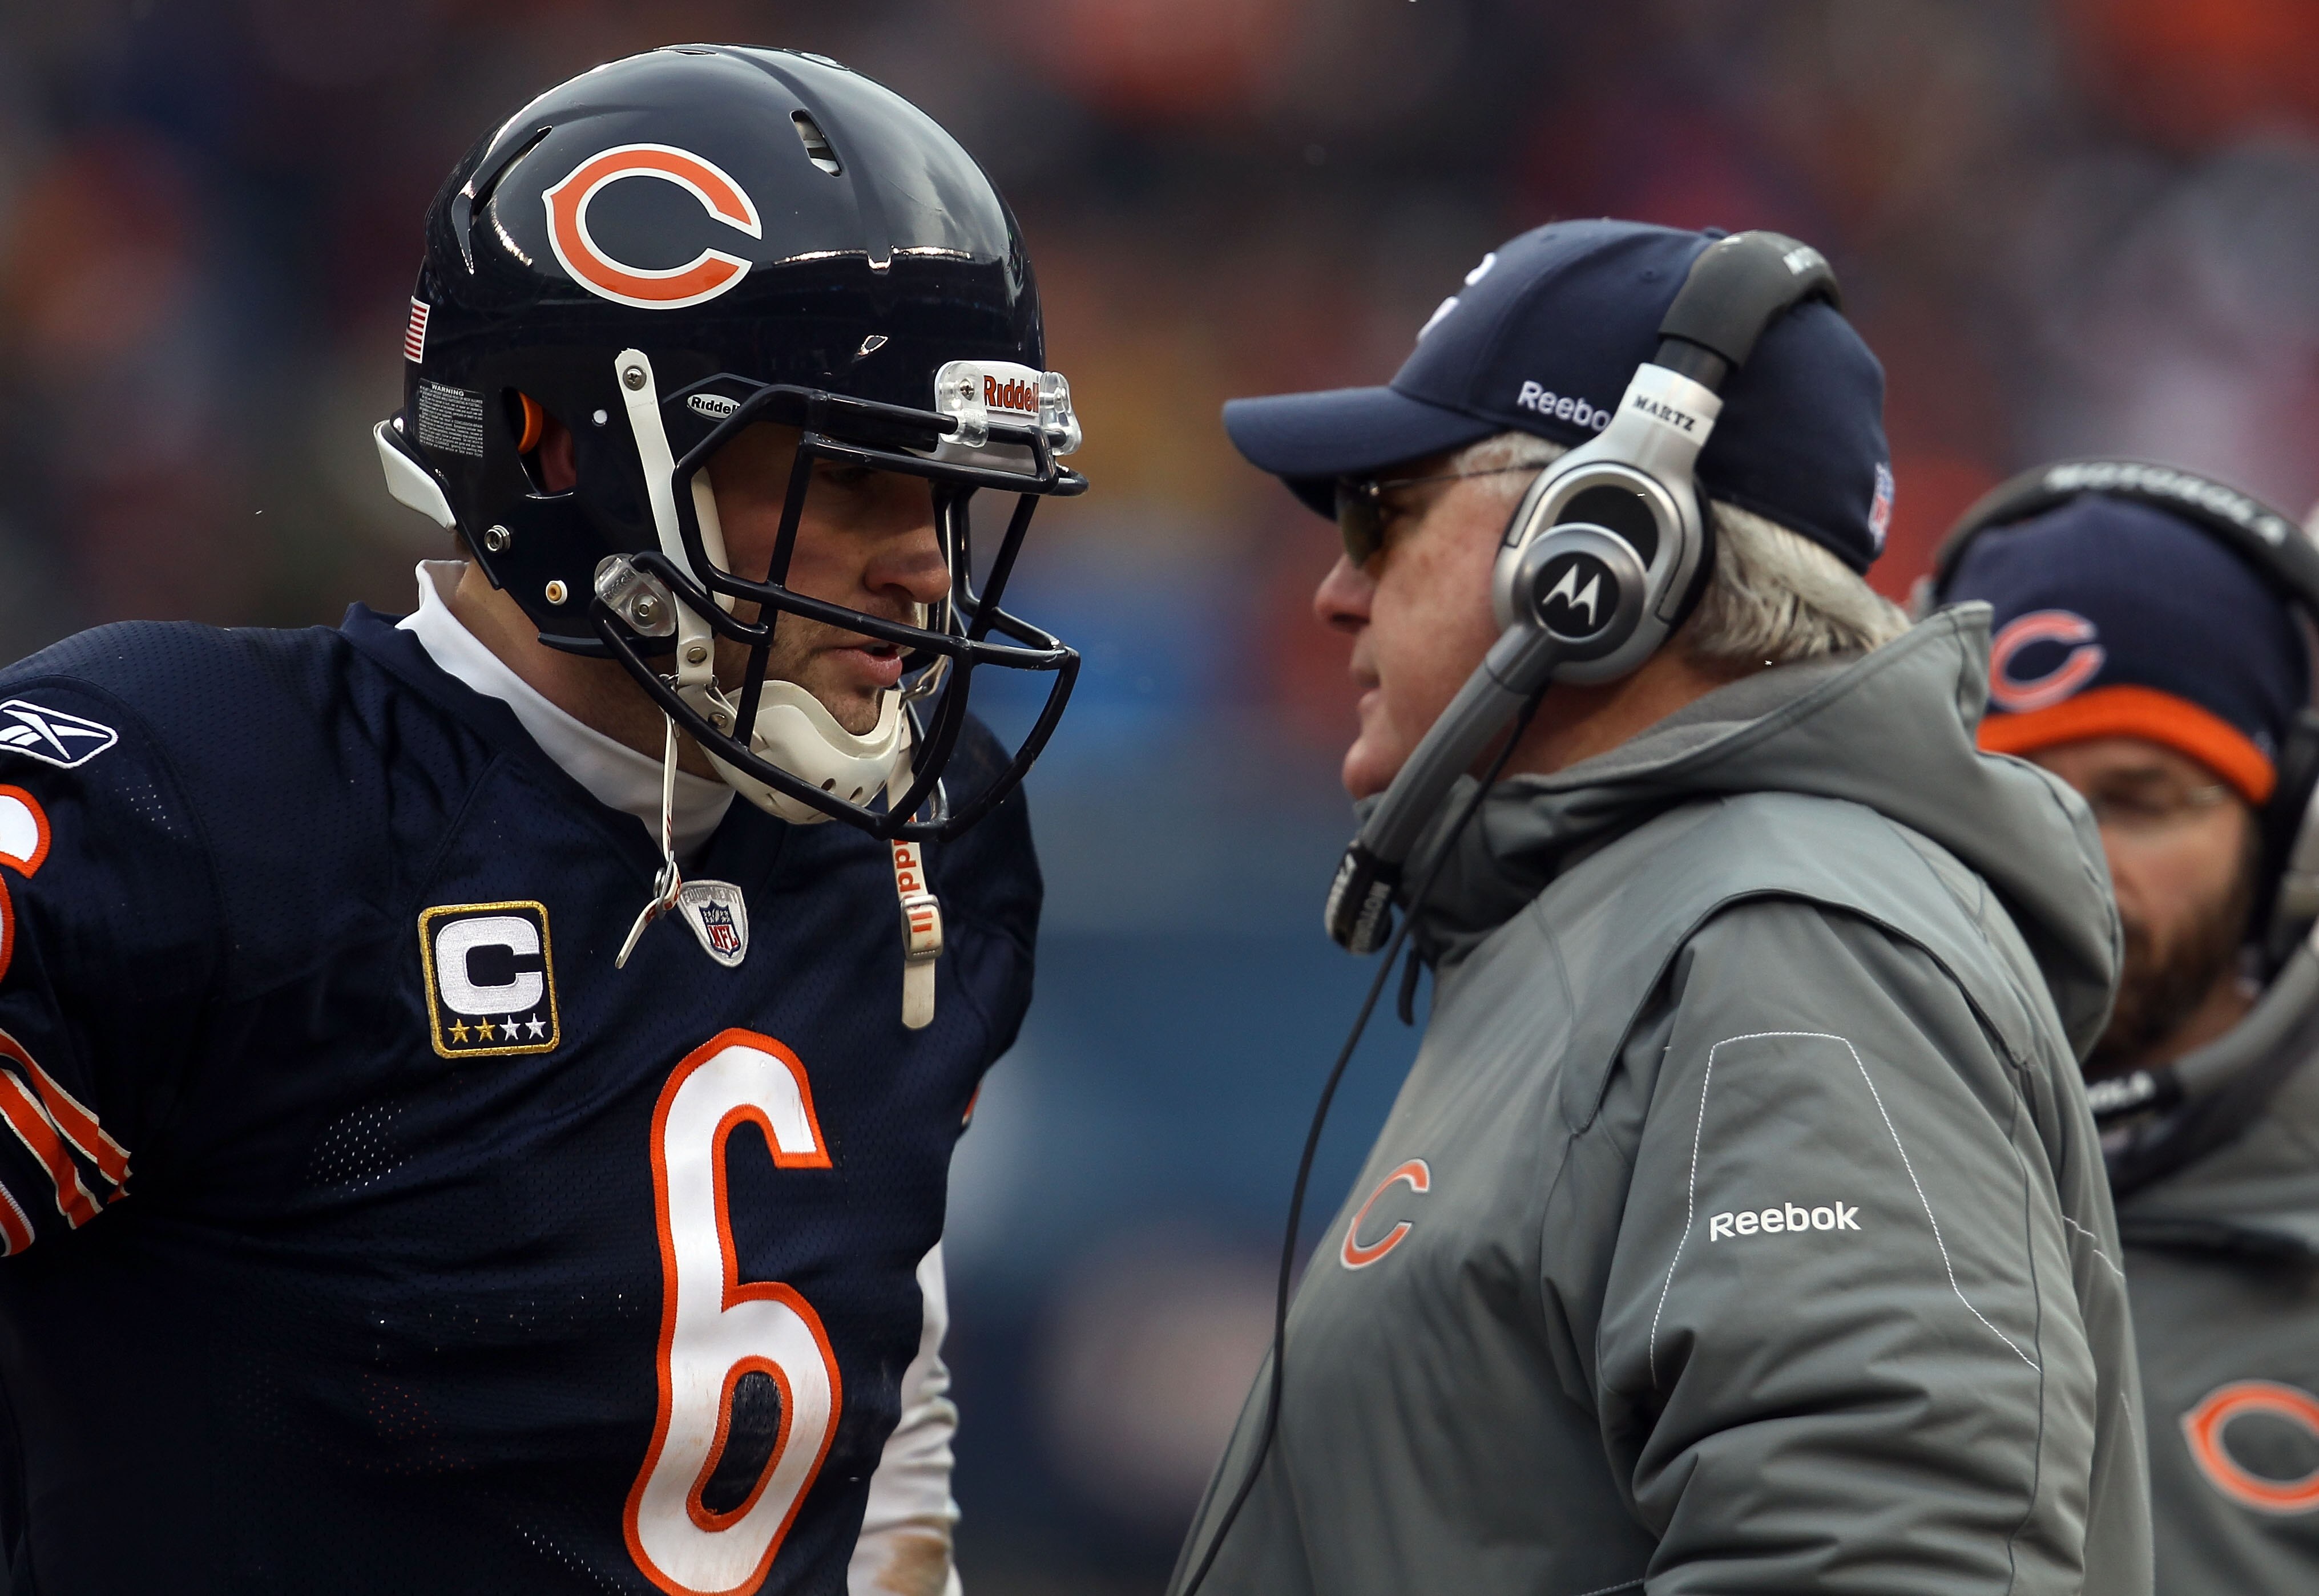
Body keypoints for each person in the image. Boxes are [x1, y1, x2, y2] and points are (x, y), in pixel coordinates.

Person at [0, 45, 1085, 1596]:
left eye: (943, 490)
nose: (924, 563)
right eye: (847, 473)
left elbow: (885, 1384)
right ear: (559, 448)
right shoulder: (199, 798)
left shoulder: (935, 824)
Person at [1169, 220, 2147, 1595]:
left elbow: (1886, 1563)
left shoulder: (1790, 942)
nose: (1335, 591)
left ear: (1604, 546)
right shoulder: (1670, 918)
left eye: (1379, 514)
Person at [1936, 464, 2319, 1593]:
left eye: (2140, 798)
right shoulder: (1790, 1184)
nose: (2064, 858)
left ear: (2290, 839)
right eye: (2004, 792)